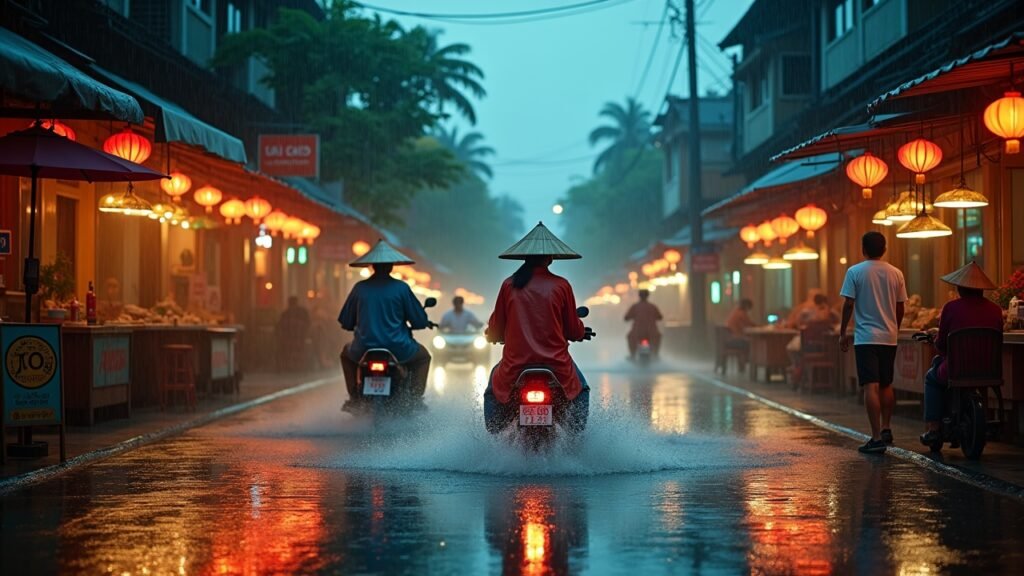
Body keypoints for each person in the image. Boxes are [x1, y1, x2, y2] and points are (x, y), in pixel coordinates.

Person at [484, 222, 594, 434]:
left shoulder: (509, 285)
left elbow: (496, 328)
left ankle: (494, 434)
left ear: (524, 256)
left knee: (491, 390)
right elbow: (573, 329)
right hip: (557, 364)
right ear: (550, 258)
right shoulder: (562, 285)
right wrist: (581, 332)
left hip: (515, 365)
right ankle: (577, 439)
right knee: (582, 389)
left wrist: (492, 335)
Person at [338, 240, 433, 410]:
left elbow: (345, 321)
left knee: (346, 354)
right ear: (391, 267)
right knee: (423, 356)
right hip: (399, 347)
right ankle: (414, 399)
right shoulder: (401, 288)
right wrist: (422, 322)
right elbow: (418, 320)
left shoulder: (359, 288)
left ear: (372, 266)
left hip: (362, 348)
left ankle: (354, 397)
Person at [921, 261, 1003, 446]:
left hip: (956, 369)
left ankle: (933, 429)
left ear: (959, 288)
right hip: (989, 369)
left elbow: (941, 346)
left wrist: (935, 340)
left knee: (931, 377)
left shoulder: (950, 308)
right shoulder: (996, 310)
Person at [839, 231, 907, 454]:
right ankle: (887, 428)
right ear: (884, 249)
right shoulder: (896, 273)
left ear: (863, 249)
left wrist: (842, 332)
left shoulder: (854, 272)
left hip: (866, 338)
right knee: (887, 384)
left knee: (871, 385)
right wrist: (894, 328)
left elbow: (848, 304)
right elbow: (900, 307)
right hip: (889, 337)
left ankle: (876, 437)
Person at [625, 289, 663, 360]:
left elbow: (626, 317)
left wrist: (629, 318)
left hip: (637, 332)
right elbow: (660, 317)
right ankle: (656, 354)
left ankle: (632, 355)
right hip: (652, 332)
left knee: (630, 337)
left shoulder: (635, 307)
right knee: (658, 337)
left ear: (639, 296)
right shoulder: (652, 307)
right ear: (647, 296)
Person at [277, 295, 311, 370]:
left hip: (288, 340)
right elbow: (308, 324)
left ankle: (289, 364)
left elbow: (279, 326)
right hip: (300, 339)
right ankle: (300, 364)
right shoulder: (302, 312)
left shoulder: (285, 314)